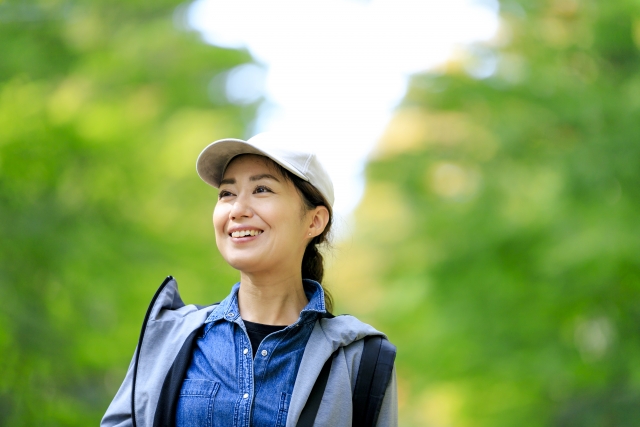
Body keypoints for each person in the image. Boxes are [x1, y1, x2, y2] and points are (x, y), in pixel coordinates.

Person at [101, 132, 398, 427]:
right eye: (227, 194)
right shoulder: (170, 339)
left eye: (262, 190)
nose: (237, 210)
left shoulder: (360, 358)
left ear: (314, 221)